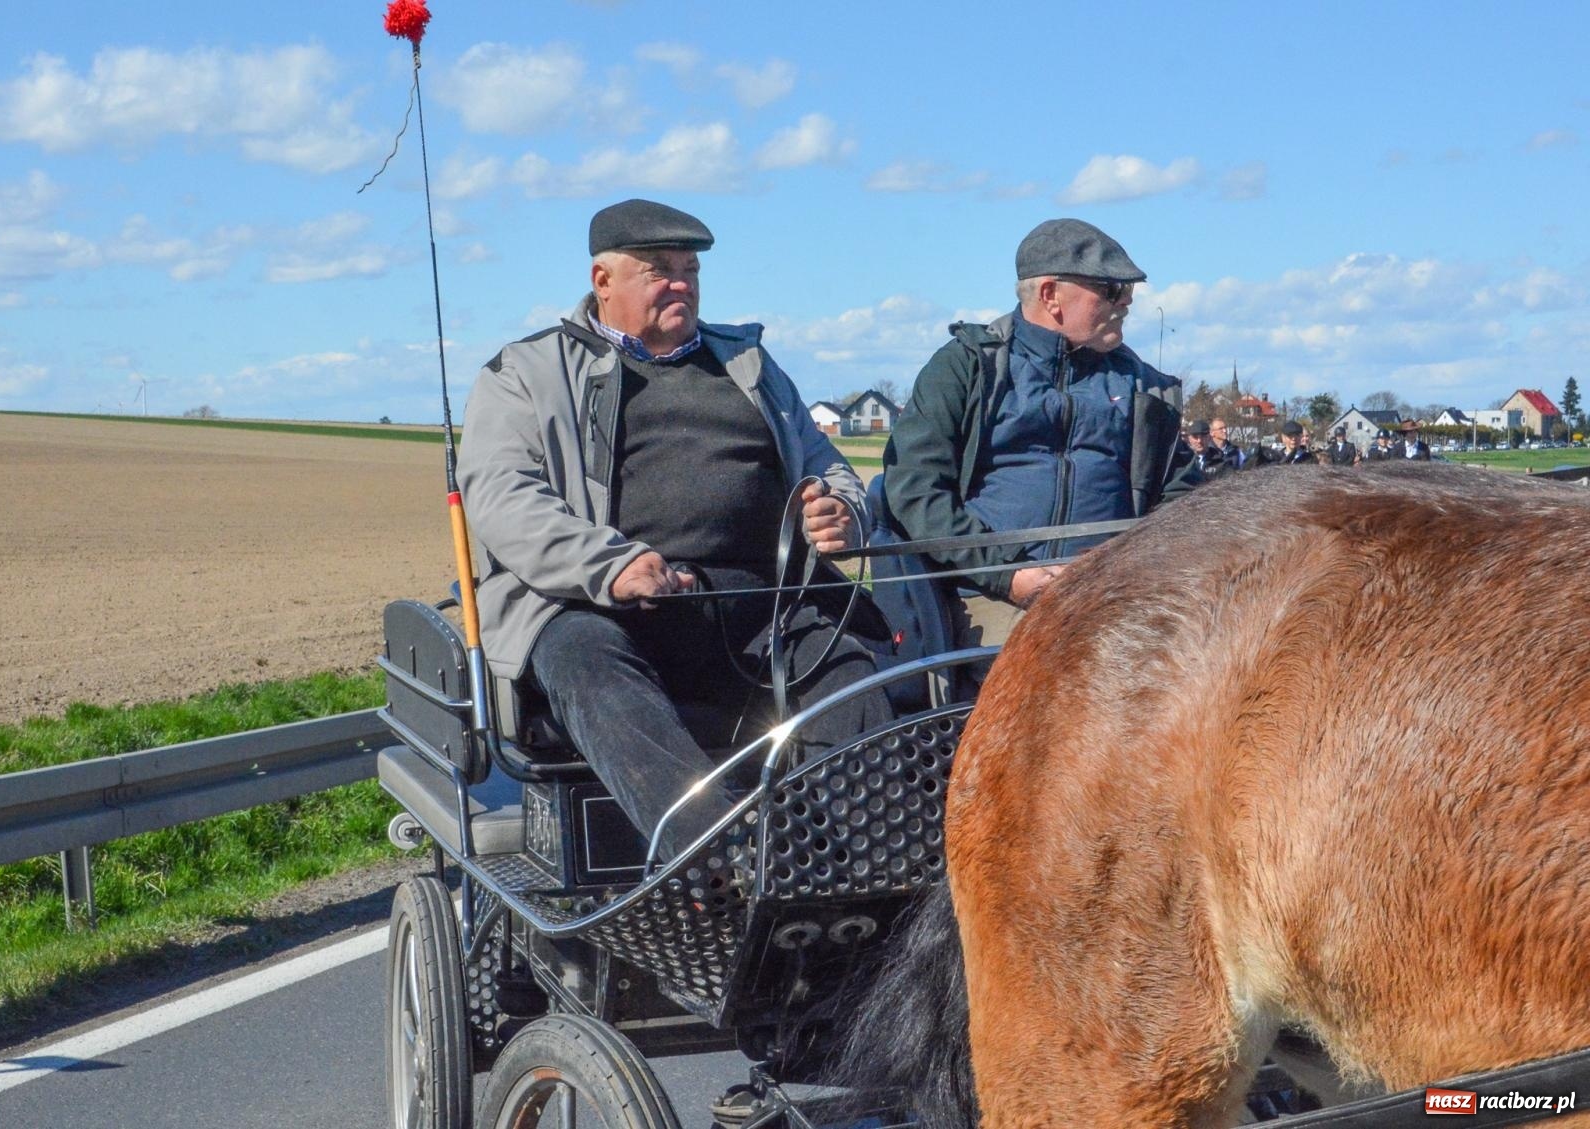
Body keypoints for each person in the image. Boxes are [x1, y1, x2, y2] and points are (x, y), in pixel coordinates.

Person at [457, 199, 892, 859]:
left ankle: (868, 868)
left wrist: (838, 505)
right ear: (604, 281)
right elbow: (503, 495)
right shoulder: (525, 374)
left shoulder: (749, 366)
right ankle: (714, 859)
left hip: (755, 603)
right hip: (595, 604)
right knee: (587, 665)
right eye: (659, 270)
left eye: (690, 269)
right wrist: (611, 565)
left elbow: (826, 463)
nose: (682, 283)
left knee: (849, 671)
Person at [880, 217, 1198, 650]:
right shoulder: (967, 368)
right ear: (1050, 295)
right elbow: (915, 489)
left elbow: (1186, 501)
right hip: (987, 596)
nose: (1126, 302)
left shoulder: (1145, 390)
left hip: (1117, 597)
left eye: (1129, 291)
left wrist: (1126, 570)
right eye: (1111, 289)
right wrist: (1007, 574)